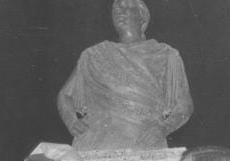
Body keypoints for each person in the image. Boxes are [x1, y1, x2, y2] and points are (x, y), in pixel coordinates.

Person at [57, 0, 193, 151]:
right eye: (116, 9)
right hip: (95, 142)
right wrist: (72, 121)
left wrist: (163, 128)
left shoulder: (165, 55)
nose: (119, 11)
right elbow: (65, 94)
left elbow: (184, 105)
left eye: (126, 7)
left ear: (142, 17)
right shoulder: (94, 54)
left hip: (144, 141)